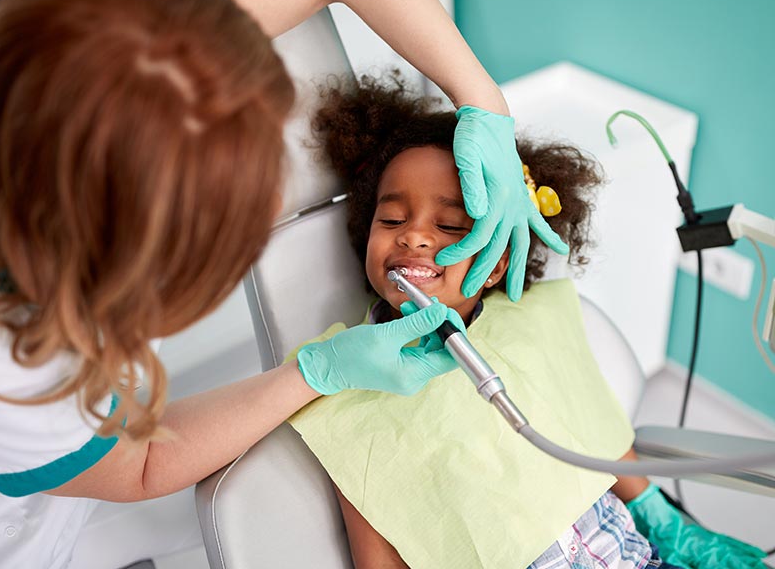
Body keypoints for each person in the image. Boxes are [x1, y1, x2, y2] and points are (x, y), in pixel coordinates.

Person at [0, 0, 558, 566]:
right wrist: (319, 372)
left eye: (453, 230)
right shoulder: (0, 370)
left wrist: (485, 106)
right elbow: (137, 462)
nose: (414, 239)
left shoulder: (119, 52)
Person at [286, 74, 769, 569]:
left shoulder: (528, 324)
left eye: (450, 226)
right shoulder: (348, 388)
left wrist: (672, 528)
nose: (412, 237)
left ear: (497, 261)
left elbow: (595, 440)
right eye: (390, 221)